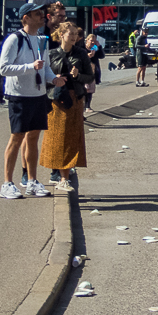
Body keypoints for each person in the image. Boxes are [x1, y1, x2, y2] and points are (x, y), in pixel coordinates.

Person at [0, 1, 65, 199]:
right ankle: (7, 183)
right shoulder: (14, 39)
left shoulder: (41, 40)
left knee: (33, 138)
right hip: (19, 96)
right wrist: (30, 66)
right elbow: (3, 69)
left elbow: (45, 68)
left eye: (42, 14)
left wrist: (54, 78)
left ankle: (32, 181)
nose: (42, 17)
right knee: (17, 138)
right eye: (37, 14)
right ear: (26, 18)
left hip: (38, 96)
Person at [42, 22, 93, 193]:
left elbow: (89, 77)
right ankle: (58, 175)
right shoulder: (50, 54)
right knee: (56, 139)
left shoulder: (81, 53)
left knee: (71, 138)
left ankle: (65, 178)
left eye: (75, 34)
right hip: (56, 100)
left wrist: (78, 76)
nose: (73, 37)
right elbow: (42, 78)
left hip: (75, 99)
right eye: (70, 33)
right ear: (61, 34)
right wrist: (52, 78)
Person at [83, 33, 103, 112]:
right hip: (84, 72)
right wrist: (87, 56)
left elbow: (102, 56)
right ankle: (83, 106)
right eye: (91, 40)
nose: (93, 42)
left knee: (90, 90)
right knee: (84, 89)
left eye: (94, 41)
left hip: (93, 72)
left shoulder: (95, 49)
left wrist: (99, 47)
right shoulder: (83, 49)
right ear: (87, 40)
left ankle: (88, 106)